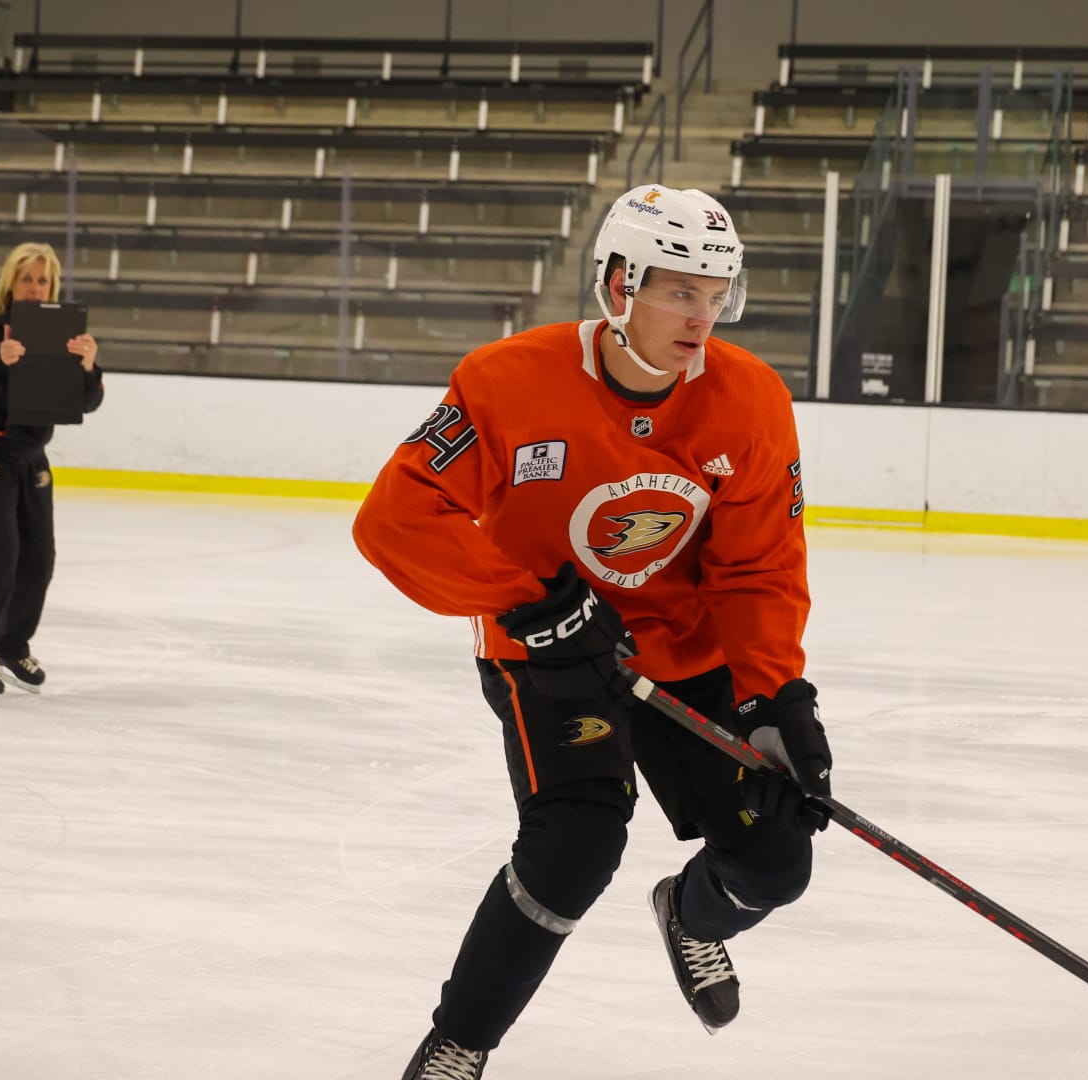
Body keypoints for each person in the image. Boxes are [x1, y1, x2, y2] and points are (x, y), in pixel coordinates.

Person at [352, 185, 835, 1078]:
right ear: (618, 283)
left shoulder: (752, 401)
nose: (704, 316)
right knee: (574, 845)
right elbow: (394, 520)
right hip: (550, 648)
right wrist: (530, 601)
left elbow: (760, 567)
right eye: (680, 290)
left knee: (775, 859)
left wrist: (776, 695)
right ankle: (459, 1044)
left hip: (685, 653)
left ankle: (691, 913)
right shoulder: (504, 381)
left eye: (717, 291)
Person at [0, 241, 104, 705]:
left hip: (33, 458)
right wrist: (0, 362)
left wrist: (88, 366)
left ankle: (14, 647)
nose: (36, 288)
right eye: (27, 279)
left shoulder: (64, 334)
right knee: (0, 558)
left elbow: (88, 401)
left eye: (44, 280)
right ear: (11, 284)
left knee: (39, 560)